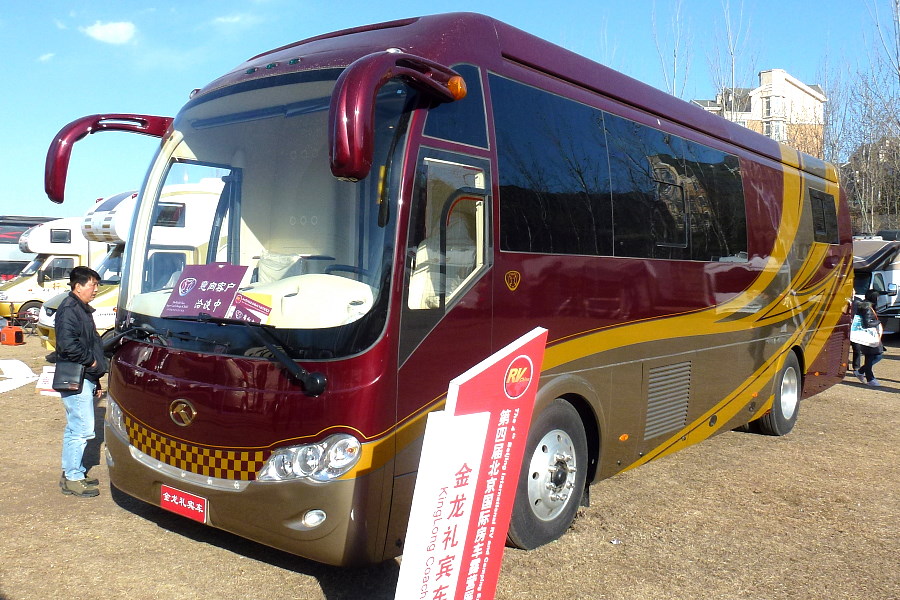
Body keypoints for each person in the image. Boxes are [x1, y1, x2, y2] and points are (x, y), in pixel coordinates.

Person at [55, 266, 108, 497]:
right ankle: (73, 477)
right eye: (93, 284)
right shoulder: (70, 309)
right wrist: (92, 363)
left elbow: (90, 342)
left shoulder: (81, 309)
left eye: (97, 285)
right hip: (77, 376)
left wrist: (95, 379)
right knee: (82, 430)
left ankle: (72, 472)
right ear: (78, 286)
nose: (95, 289)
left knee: (75, 428)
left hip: (85, 376)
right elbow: (68, 345)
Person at [853, 289, 885, 387]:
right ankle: (870, 378)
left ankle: (860, 372)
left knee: (875, 355)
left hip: (871, 335)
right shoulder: (866, 307)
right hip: (868, 336)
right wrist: (878, 322)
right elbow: (867, 323)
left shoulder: (868, 306)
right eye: (877, 297)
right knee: (872, 356)